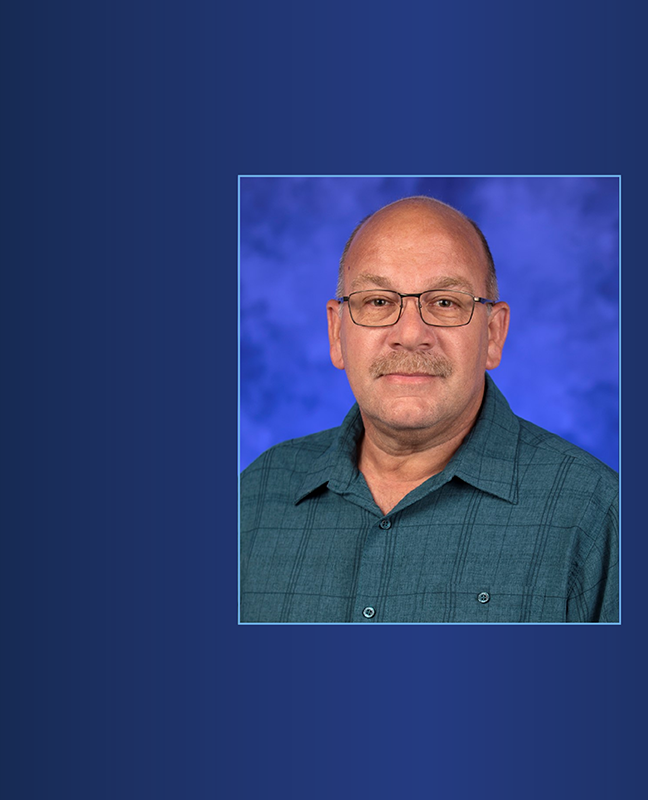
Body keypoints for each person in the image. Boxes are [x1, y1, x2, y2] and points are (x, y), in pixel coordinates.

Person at [240, 196, 618, 622]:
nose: (410, 334)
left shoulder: (596, 513)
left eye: (444, 303)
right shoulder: (254, 497)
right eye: (379, 302)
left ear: (493, 334)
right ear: (336, 331)